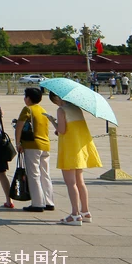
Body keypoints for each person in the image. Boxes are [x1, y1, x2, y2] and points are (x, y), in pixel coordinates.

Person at [45, 90, 102, 225]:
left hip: (69, 149)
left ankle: (75, 214)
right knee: (80, 182)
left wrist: (53, 122)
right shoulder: (76, 108)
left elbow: (62, 130)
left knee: (71, 183)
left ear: (57, 98)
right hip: (80, 148)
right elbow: (70, 129)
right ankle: (85, 211)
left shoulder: (61, 110)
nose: (55, 103)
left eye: (54, 100)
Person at [15, 87, 54, 212]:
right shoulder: (42, 110)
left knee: (33, 174)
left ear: (28, 98)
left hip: (32, 145)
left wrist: (18, 143)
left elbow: (19, 127)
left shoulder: (27, 109)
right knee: (45, 174)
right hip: (45, 145)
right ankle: (49, 201)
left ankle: (37, 203)